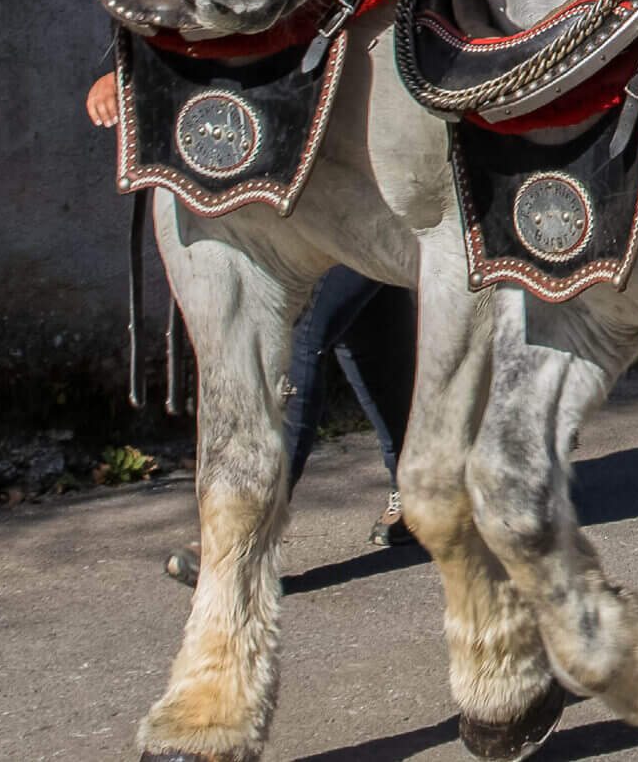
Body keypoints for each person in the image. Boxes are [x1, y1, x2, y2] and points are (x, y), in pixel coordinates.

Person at [86, 73, 418, 585]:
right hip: (306, 183)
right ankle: (420, 492)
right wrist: (128, 68)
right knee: (367, 329)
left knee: (301, 332)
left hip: (371, 178)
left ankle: (250, 531)